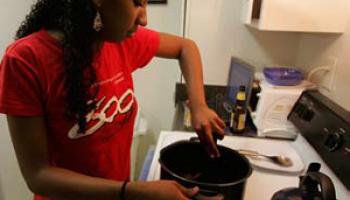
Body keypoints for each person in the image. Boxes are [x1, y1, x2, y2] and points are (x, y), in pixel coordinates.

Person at [0, 0, 226, 199]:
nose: (145, 19)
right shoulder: (25, 60)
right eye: (137, 3)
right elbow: (38, 175)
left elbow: (186, 47)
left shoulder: (117, 40)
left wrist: (199, 106)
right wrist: (129, 191)